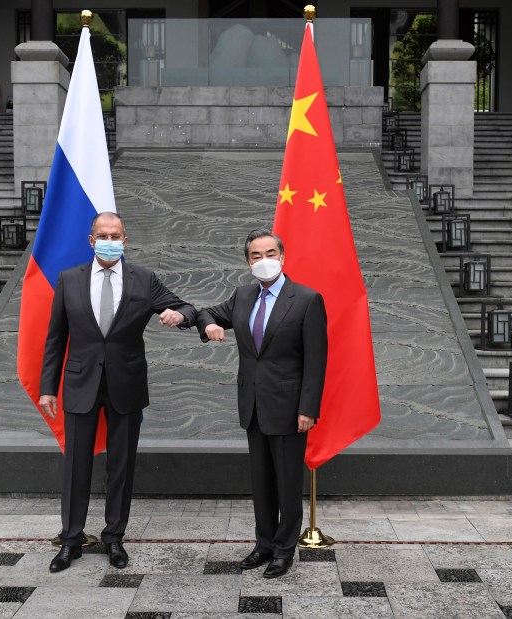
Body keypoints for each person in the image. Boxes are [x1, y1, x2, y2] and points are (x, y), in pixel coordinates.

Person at [39, 212, 196, 573]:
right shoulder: (69, 280)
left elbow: (184, 306)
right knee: (76, 464)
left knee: (120, 464)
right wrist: (49, 387)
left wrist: (179, 316)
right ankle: (71, 539)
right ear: (91, 240)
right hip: (80, 383)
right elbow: (55, 337)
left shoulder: (144, 279)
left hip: (126, 384)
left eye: (116, 235)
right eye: (102, 234)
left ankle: (114, 538)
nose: (109, 239)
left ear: (125, 240)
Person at [196, 229, 327, 578]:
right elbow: (208, 312)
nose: (263, 260)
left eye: (270, 253)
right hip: (253, 406)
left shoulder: (306, 299)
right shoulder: (242, 296)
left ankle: (285, 550)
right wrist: (208, 325)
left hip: (289, 409)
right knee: (262, 482)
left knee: (286, 483)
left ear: (283, 257)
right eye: (256, 255)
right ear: (248, 262)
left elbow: (316, 360)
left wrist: (308, 409)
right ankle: (264, 543)